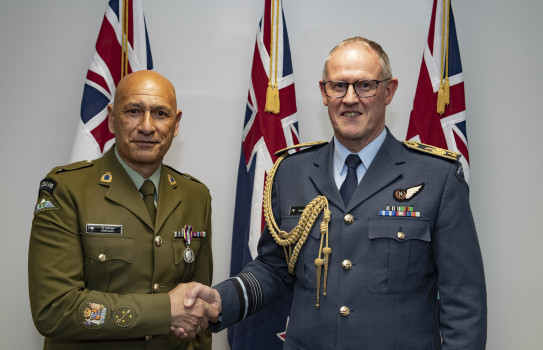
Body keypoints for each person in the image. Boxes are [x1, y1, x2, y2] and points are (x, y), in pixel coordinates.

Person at [183, 37, 487, 349]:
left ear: (389, 90)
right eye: (339, 86)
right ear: (324, 93)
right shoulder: (290, 172)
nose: (350, 98)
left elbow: (463, 300)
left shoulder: (436, 177)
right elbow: (274, 268)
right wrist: (220, 299)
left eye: (365, 85)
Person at [28, 70, 217, 349]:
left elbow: (197, 310)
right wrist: (165, 310)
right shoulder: (67, 190)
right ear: (112, 118)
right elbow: (54, 309)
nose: (147, 126)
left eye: (161, 114)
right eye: (133, 111)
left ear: (176, 124)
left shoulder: (195, 195)